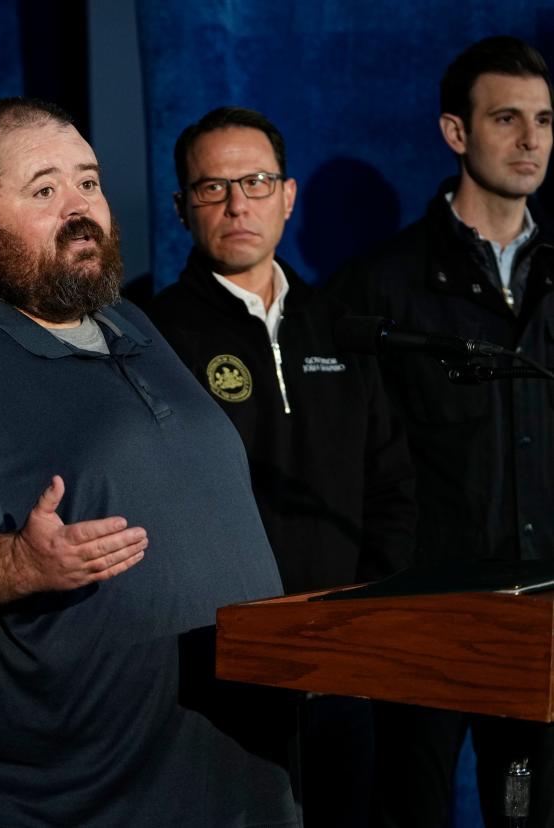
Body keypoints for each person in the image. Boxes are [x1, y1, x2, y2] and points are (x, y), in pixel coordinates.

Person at [0, 97, 297, 827]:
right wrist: (20, 564)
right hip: (84, 799)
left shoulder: (129, 320)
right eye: (44, 191)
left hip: (235, 769)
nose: (79, 208)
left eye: (88, 182)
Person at [146, 106, 417, 827]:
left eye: (257, 181)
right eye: (213, 188)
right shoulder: (152, 337)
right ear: (181, 207)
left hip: (345, 665)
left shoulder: (342, 324)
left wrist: (363, 617)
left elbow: (391, 487)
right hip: (220, 672)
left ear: (288, 196)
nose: (238, 204)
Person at [334, 35, 554, 828]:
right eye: (507, 118)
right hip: (424, 624)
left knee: (529, 811)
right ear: (456, 133)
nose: (531, 141)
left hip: (544, 623)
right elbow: (356, 468)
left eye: (544, 120)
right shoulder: (379, 285)